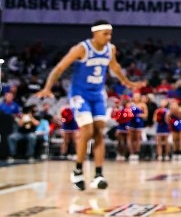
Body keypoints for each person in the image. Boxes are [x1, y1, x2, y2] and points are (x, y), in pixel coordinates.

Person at [36, 20, 135, 190]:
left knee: (99, 131)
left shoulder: (110, 49)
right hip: (79, 93)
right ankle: (78, 170)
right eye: (105, 34)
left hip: (97, 94)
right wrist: (47, 88)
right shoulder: (81, 48)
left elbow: (115, 67)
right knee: (87, 129)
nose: (108, 37)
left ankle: (98, 174)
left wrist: (127, 82)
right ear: (95, 33)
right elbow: (59, 68)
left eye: (110, 34)